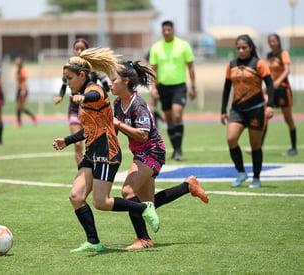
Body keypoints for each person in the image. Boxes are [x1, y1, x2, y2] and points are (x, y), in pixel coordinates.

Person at [52, 47, 159, 253]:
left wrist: (84, 99)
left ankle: (143, 207)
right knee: (76, 197)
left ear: (82, 75)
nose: (67, 83)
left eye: (69, 78)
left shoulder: (94, 90)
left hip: (107, 152)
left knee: (101, 202)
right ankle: (94, 242)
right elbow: (90, 128)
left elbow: (94, 95)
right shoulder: (82, 90)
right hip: (92, 152)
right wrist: (67, 140)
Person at [111, 60, 208, 250]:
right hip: (140, 152)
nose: (110, 83)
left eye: (113, 79)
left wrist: (119, 125)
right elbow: (114, 132)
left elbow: (143, 134)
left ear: (125, 81)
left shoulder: (138, 104)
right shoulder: (116, 103)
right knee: (148, 204)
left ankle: (144, 239)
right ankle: (188, 186)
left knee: (128, 192)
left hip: (152, 150)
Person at [221, 34, 274, 188]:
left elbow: (270, 85)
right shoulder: (231, 65)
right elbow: (226, 88)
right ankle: (241, 172)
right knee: (231, 139)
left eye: (244, 47)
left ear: (251, 48)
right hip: (237, 109)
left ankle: (256, 178)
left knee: (255, 145)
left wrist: (270, 105)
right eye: (238, 48)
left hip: (256, 109)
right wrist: (223, 110)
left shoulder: (259, 64)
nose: (241, 50)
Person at [54, 38, 109, 166]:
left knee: (92, 140)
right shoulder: (70, 67)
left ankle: (92, 170)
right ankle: (82, 171)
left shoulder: (93, 68)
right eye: (76, 48)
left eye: (82, 49)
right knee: (77, 143)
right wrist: (60, 97)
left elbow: (105, 85)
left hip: (91, 109)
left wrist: (97, 97)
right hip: (74, 108)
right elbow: (63, 85)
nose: (79, 51)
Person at [149, 20, 197, 161]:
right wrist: (153, 87)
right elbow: (153, 69)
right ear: (162, 31)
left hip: (179, 86)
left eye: (169, 30)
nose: (166, 32)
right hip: (163, 87)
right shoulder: (156, 47)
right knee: (169, 120)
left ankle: (179, 149)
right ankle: (176, 150)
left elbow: (191, 67)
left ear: (173, 30)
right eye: (164, 30)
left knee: (177, 115)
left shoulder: (183, 45)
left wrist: (193, 86)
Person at [266, 33, 297, 156]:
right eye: (270, 41)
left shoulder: (283, 53)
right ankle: (258, 147)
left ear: (278, 42)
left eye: (274, 41)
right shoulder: (269, 55)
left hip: (283, 89)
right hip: (272, 90)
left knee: (288, 118)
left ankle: (294, 148)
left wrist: (278, 81)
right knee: (264, 116)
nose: (272, 43)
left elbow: (287, 70)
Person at [13, 56, 37, 128]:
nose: (16, 62)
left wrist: (23, 90)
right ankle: (22, 121)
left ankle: (21, 122)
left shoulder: (23, 70)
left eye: (18, 61)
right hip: (19, 89)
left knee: (19, 107)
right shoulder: (18, 70)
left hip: (23, 89)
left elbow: (24, 80)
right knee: (19, 107)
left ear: (20, 62)